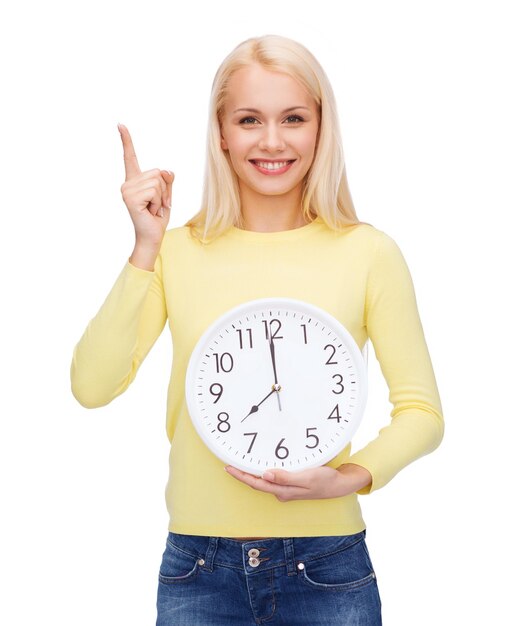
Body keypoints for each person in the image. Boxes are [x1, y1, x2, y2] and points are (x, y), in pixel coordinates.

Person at [70, 34, 444, 626]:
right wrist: (144, 248)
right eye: (250, 120)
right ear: (221, 132)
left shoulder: (369, 253)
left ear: (321, 129)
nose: (272, 141)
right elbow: (91, 385)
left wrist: (345, 479)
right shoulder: (175, 253)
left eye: (293, 118)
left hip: (327, 568)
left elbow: (423, 412)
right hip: (198, 570)